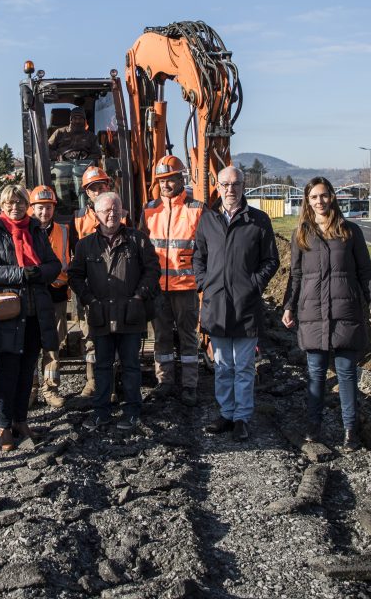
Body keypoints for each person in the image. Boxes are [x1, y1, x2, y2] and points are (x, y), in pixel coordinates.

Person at [281, 177, 371, 451]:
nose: (319, 202)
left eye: (323, 196)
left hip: (345, 312)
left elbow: (365, 271)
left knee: (346, 373)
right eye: (314, 197)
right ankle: (313, 428)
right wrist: (288, 305)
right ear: (307, 201)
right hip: (312, 312)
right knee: (315, 374)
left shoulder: (350, 232)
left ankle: (350, 431)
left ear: (332, 197)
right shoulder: (301, 234)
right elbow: (296, 275)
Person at [194, 166, 279, 442]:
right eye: (225, 184)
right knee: (222, 366)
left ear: (244, 186)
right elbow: (198, 256)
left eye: (236, 184)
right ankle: (226, 413)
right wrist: (204, 282)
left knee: (242, 367)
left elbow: (271, 260)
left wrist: (254, 284)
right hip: (217, 305)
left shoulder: (257, 220)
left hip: (245, 307)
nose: (231, 189)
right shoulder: (207, 220)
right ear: (217, 187)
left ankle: (242, 417)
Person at [0, 184, 61, 452]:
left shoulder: (36, 231)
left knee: (27, 371)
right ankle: (3, 426)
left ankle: (21, 421)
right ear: (2, 205)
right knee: (7, 373)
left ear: (27, 205)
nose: (15, 207)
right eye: (10, 203)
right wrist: (19, 274)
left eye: (20, 203)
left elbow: (54, 264)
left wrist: (38, 273)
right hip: (8, 314)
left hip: (35, 313)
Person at [67, 191, 160, 432]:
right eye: (107, 210)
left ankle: (132, 412)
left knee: (131, 365)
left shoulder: (138, 240)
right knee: (102, 366)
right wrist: (89, 299)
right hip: (101, 316)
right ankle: (102, 412)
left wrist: (139, 296)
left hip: (130, 314)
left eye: (116, 210)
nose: (112, 214)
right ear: (96, 214)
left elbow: (153, 271)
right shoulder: (85, 245)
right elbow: (75, 276)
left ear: (123, 213)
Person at [143, 155, 206, 408]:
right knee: (161, 337)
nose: (166, 185)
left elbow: (205, 251)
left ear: (181, 179)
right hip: (159, 289)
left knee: (189, 336)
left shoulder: (197, 210)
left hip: (187, 289)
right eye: (162, 181)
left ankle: (190, 385)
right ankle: (165, 381)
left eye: (170, 179)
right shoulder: (150, 210)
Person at [28, 185, 75, 408]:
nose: (44, 212)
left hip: (56, 294)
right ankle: (30, 389)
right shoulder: (24, 230)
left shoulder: (64, 231)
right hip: (31, 296)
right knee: (29, 345)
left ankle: (50, 388)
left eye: (48, 207)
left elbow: (69, 261)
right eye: (40, 208)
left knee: (53, 344)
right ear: (32, 208)